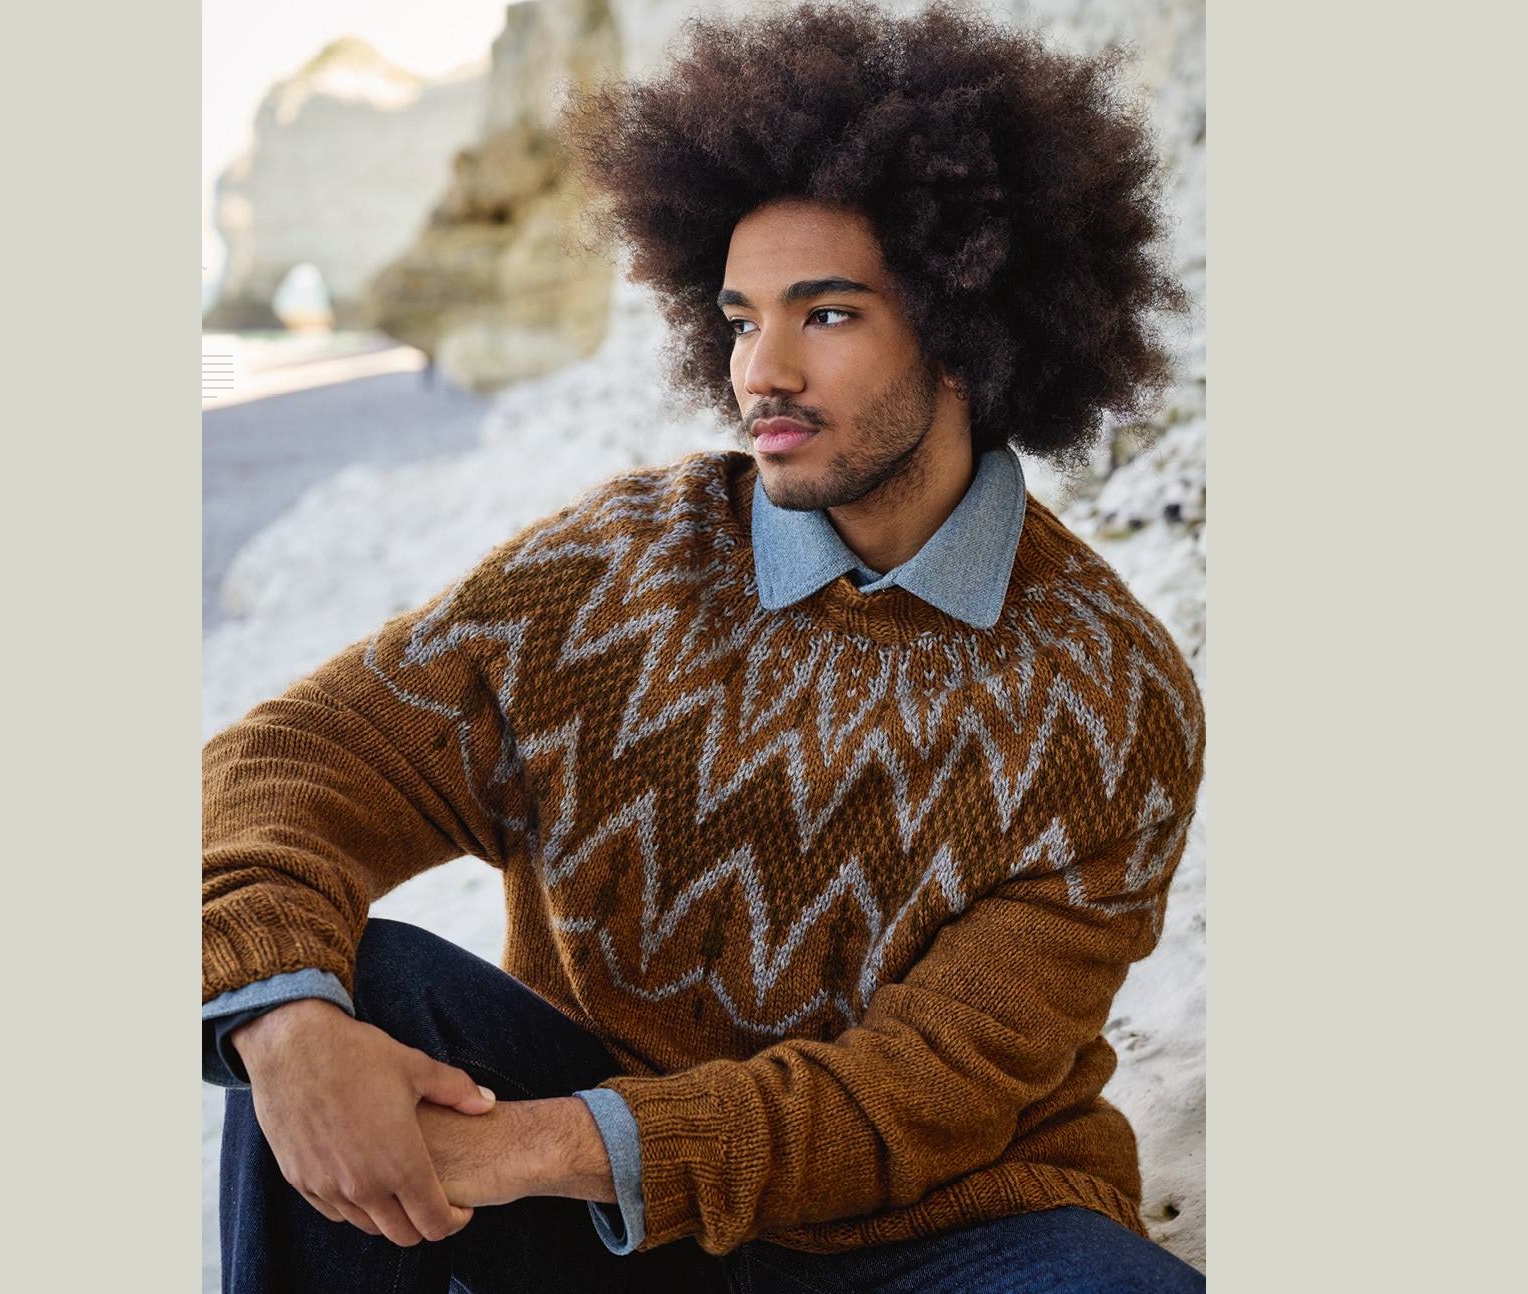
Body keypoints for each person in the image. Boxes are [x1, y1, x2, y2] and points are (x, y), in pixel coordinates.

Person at [201, 3, 1205, 1290]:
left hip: (935, 1229)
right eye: (738, 320)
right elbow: (292, 761)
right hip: (605, 1227)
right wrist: (283, 1022)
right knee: (346, 982)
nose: (760, 373)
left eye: (825, 315)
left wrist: (523, 1148)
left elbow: (911, 1096)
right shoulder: (615, 571)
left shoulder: (1108, 694)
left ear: (966, 320)